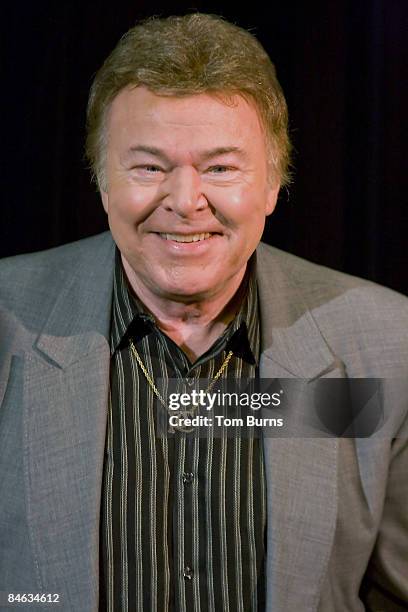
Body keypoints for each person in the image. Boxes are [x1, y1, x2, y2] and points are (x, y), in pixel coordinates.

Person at [0, 12, 407, 612]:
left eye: (220, 167)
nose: (185, 202)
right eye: (149, 167)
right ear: (102, 181)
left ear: (272, 184)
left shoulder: (385, 339)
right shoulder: (7, 320)